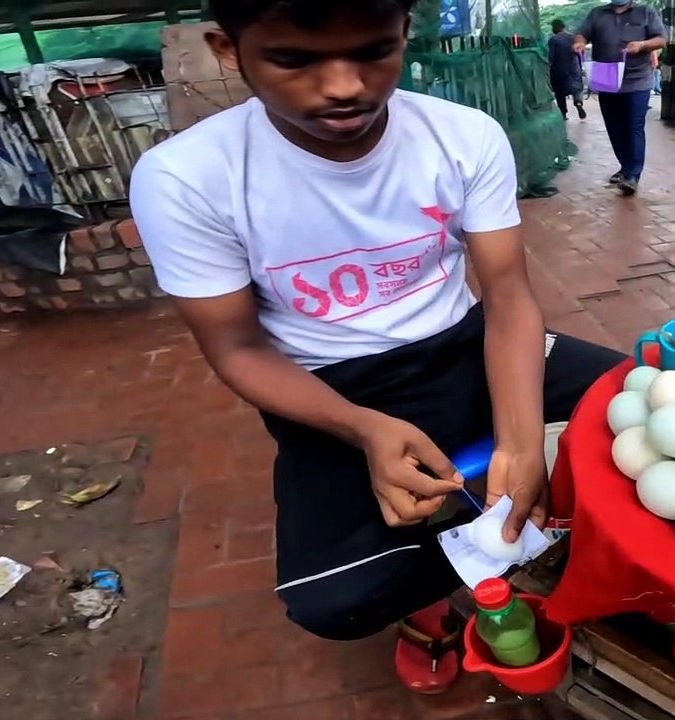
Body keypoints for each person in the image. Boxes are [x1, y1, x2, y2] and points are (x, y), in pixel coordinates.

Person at [129, 0, 624, 696]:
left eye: (372, 52)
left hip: (464, 344)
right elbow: (237, 347)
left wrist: (516, 444)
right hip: (332, 387)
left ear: (406, 34)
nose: (343, 86)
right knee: (334, 602)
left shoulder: (461, 136)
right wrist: (363, 429)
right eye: (294, 60)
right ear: (226, 48)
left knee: (638, 402)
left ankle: (513, 532)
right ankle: (460, 582)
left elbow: (507, 295)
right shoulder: (185, 177)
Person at [575, 0, 666, 196]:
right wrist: (580, 42)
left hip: (637, 79)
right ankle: (626, 167)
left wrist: (642, 44)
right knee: (614, 127)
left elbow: (661, 39)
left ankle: (633, 175)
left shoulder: (645, 12)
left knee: (633, 125)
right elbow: (582, 33)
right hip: (606, 78)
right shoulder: (597, 13)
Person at [549, 19, 587, 121]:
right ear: (563, 27)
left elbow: (550, 57)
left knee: (559, 93)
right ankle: (578, 102)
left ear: (553, 28)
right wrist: (580, 66)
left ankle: (563, 113)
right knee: (577, 88)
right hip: (574, 67)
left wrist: (548, 69)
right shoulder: (573, 38)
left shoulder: (553, 40)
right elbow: (580, 53)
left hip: (558, 70)